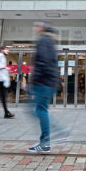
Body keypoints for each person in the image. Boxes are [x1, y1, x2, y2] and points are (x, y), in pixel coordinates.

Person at [27, 22, 61, 153]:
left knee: (39, 109)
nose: (36, 27)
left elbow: (43, 62)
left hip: (43, 82)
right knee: (38, 109)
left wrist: (36, 80)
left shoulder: (44, 41)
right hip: (47, 81)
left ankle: (51, 136)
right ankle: (46, 141)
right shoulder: (50, 43)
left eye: (39, 26)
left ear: (44, 29)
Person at [0, 46, 14, 118]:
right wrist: (5, 67)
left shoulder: (3, 57)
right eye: (6, 49)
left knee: (3, 97)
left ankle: (6, 113)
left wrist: (6, 70)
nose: (8, 51)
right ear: (2, 50)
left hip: (1, 80)